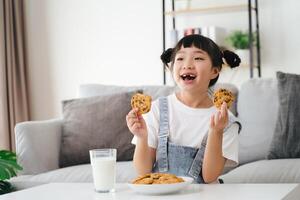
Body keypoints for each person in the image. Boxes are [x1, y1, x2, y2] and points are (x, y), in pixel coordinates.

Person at [126, 34, 241, 183]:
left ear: (215, 70)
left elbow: (209, 176)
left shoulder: (226, 121)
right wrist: (142, 137)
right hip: (163, 194)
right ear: (172, 67)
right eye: (180, 58)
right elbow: (143, 171)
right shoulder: (156, 110)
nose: (187, 64)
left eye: (198, 58)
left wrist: (216, 131)